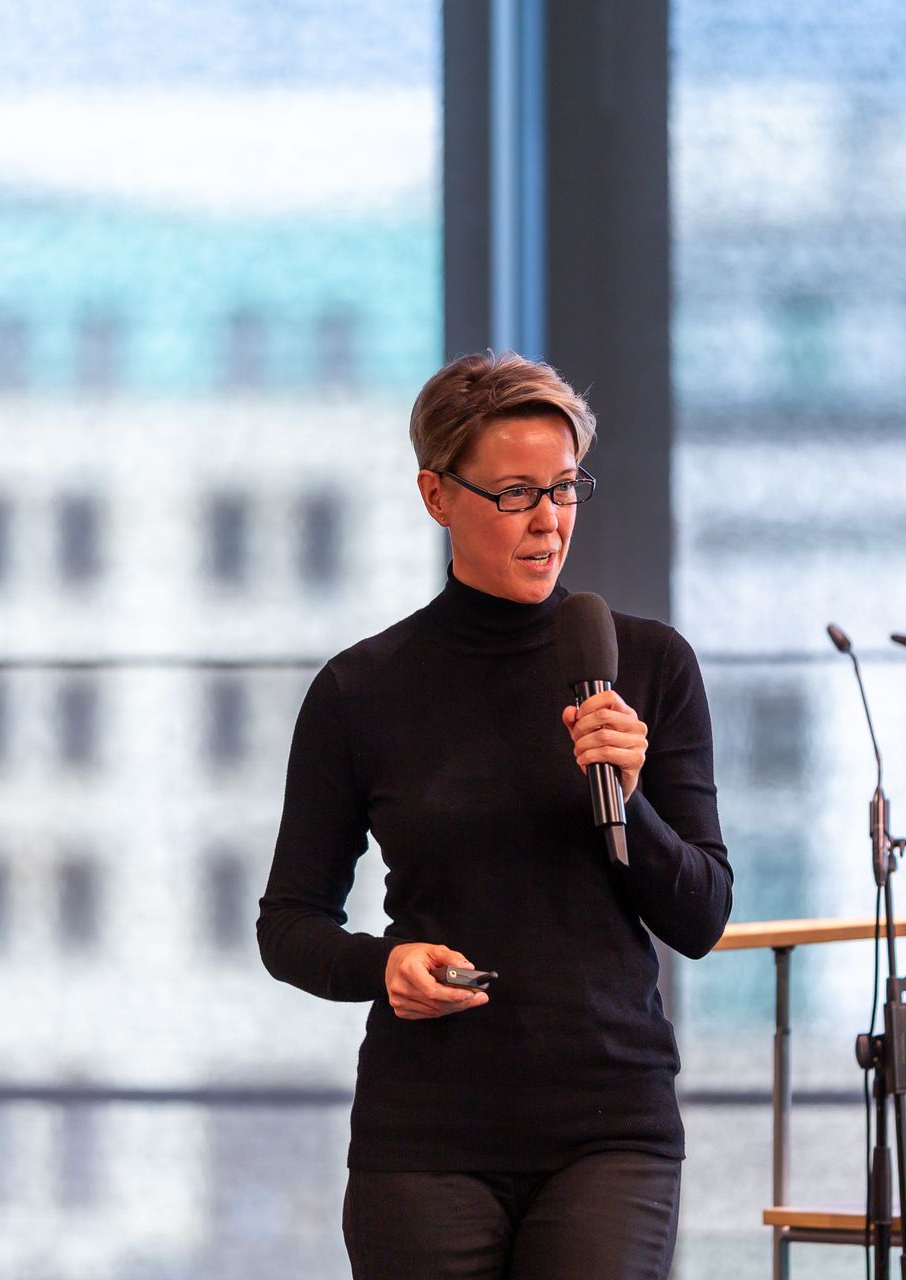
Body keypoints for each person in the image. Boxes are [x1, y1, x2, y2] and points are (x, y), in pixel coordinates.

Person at [256, 351, 733, 1279]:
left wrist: (628, 795)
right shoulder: (361, 690)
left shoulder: (650, 665)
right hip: (426, 1134)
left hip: (610, 1126)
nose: (549, 520)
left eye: (565, 488)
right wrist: (384, 965)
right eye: (516, 494)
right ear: (437, 495)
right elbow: (289, 924)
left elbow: (703, 915)